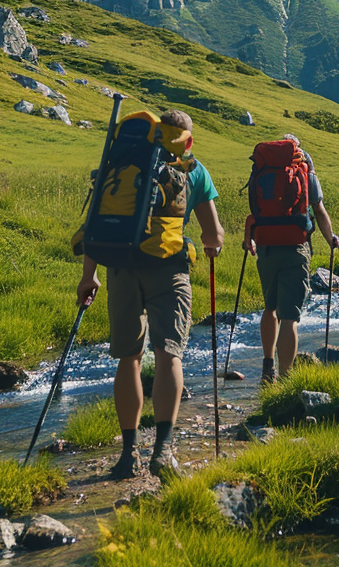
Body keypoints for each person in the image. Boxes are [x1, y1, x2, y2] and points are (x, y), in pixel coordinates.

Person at [76, 109, 224, 481]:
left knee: (129, 358)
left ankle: (128, 455)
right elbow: (214, 233)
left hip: (120, 268)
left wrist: (88, 276)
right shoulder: (193, 169)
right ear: (186, 139)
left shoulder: (120, 161)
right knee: (169, 353)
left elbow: (97, 222)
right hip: (169, 270)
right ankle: (163, 451)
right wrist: (211, 248)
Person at [247, 134, 339, 384]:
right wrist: (331, 238)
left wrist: (252, 238)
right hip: (295, 247)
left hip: (266, 246)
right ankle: (286, 379)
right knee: (290, 317)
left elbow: (255, 209)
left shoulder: (262, 168)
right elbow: (319, 210)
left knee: (270, 307)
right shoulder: (304, 170)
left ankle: (268, 367)